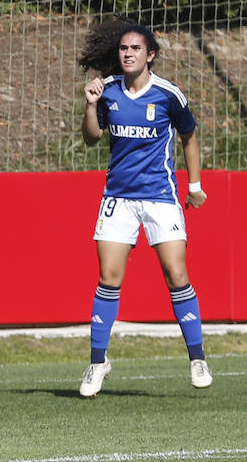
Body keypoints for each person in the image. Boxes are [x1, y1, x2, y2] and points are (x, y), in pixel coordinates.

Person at [75, 22, 212, 397]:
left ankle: (197, 358)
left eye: (136, 48)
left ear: (150, 54)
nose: (128, 54)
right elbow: (91, 138)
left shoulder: (169, 95)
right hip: (118, 199)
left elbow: (189, 136)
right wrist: (89, 105)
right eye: (123, 49)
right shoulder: (108, 92)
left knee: (175, 273)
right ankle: (97, 362)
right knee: (109, 278)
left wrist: (195, 186)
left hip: (159, 198)